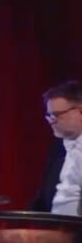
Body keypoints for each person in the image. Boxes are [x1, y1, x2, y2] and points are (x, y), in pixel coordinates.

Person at [33, 80, 82, 215]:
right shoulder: (58, 151)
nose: (51, 121)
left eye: (57, 115)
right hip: (54, 226)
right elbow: (41, 203)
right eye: (49, 115)